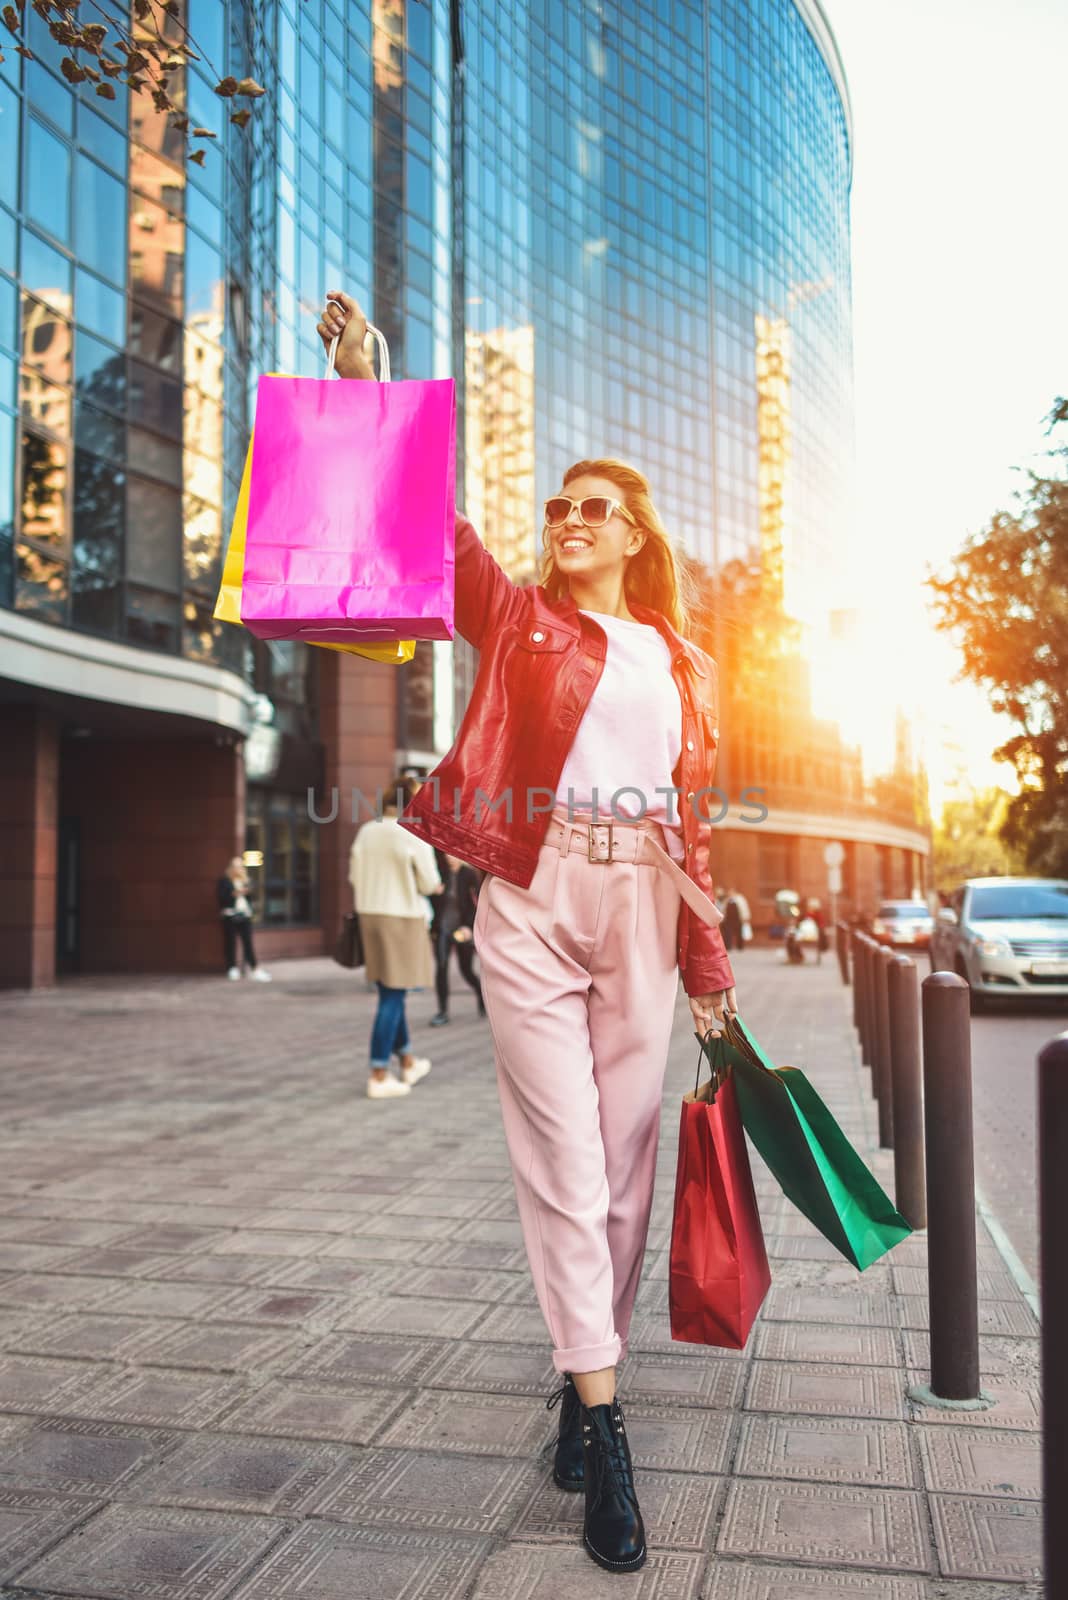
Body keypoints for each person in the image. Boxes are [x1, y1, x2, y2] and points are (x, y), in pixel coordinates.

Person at [319, 292, 737, 1576]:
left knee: (625, 1171)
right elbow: (435, 532)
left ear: (634, 535)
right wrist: (367, 380)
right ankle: (606, 1428)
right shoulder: (521, 618)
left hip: (647, 906)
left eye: (590, 509)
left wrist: (707, 960)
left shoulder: (679, 655)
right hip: (535, 897)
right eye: (556, 506)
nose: (566, 522)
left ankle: (579, 1373)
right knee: (563, 1161)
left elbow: (692, 817)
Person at [349, 773, 443, 1100]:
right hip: (401, 917)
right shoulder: (412, 833)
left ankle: (407, 1061)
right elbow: (430, 884)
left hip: (369, 916)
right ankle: (378, 1073)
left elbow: (352, 876)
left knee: (392, 990)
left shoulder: (366, 831)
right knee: (392, 996)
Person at [429, 851, 486, 1025]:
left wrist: (469, 927)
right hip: (443, 928)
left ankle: (482, 999)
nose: (449, 857)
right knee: (441, 967)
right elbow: (431, 899)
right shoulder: (440, 873)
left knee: (466, 970)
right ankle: (442, 1011)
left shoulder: (469, 874)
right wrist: (434, 892)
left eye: (452, 854)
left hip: (462, 929)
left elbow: (478, 904)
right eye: (446, 854)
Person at [216, 856, 271, 982]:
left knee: (248, 943)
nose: (238, 869)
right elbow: (222, 898)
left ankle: (254, 968)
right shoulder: (224, 881)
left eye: (241, 866)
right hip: (230, 916)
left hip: (244, 915)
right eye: (236, 866)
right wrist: (235, 893)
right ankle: (232, 968)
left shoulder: (245, 880)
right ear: (231, 868)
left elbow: (250, 898)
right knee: (230, 943)